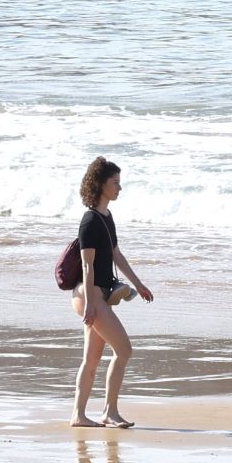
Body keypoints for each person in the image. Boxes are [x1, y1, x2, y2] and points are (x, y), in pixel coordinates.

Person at [71, 157, 154, 428]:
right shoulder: (89, 221)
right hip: (90, 294)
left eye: (119, 182)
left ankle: (79, 415)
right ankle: (109, 411)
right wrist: (90, 305)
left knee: (91, 359)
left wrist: (138, 284)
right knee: (124, 350)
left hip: (97, 295)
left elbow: (116, 254)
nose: (120, 188)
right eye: (115, 183)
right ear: (100, 184)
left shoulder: (107, 217)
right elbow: (87, 265)